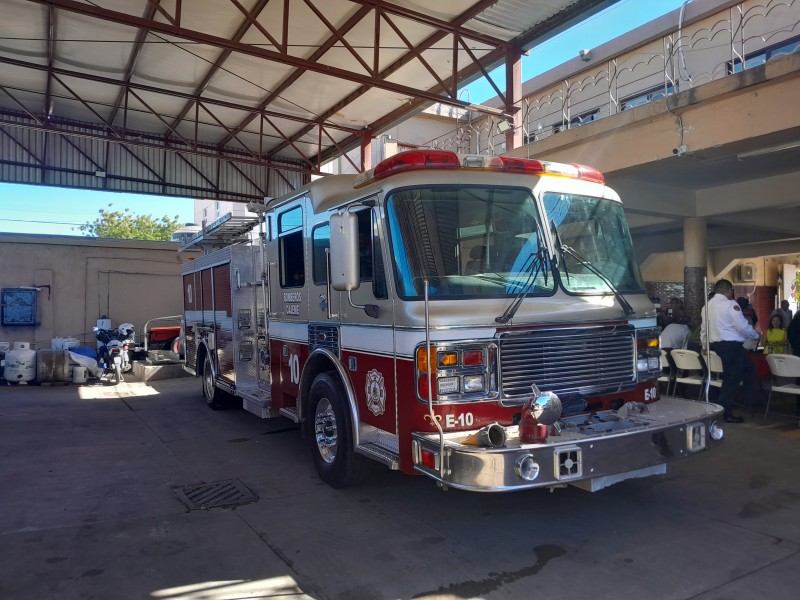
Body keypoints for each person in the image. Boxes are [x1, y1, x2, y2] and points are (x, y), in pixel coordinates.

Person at [702, 279, 762, 423]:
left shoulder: (706, 306)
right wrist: (756, 335)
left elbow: (704, 329)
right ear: (729, 291)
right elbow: (741, 326)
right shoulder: (730, 304)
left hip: (716, 345)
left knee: (749, 368)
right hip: (731, 347)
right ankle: (725, 413)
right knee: (731, 380)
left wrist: (704, 345)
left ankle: (752, 401)